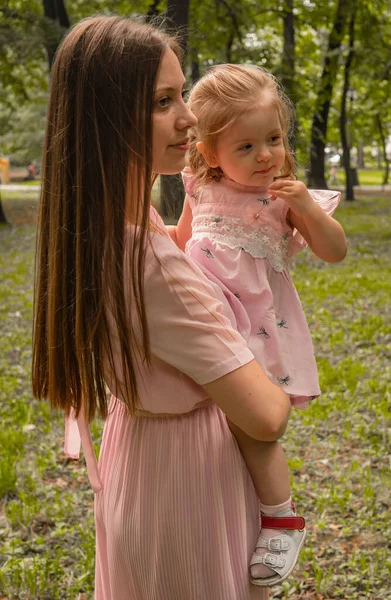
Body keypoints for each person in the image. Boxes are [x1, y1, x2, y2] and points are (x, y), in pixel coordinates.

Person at [32, 16, 294, 600]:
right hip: (186, 491)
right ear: (106, 117)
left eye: (182, 94)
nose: (189, 118)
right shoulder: (151, 263)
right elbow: (266, 417)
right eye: (161, 101)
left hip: (143, 463)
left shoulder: (108, 227)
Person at [166, 64, 347, 587]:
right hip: (203, 309)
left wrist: (307, 209)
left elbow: (334, 252)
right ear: (208, 154)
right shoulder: (196, 182)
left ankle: (281, 517)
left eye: (273, 138)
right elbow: (183, 239)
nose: (266, 154)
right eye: (246, 147)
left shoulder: (282, 197)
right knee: (201, 420)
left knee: (253, 426)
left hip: (253, 324)